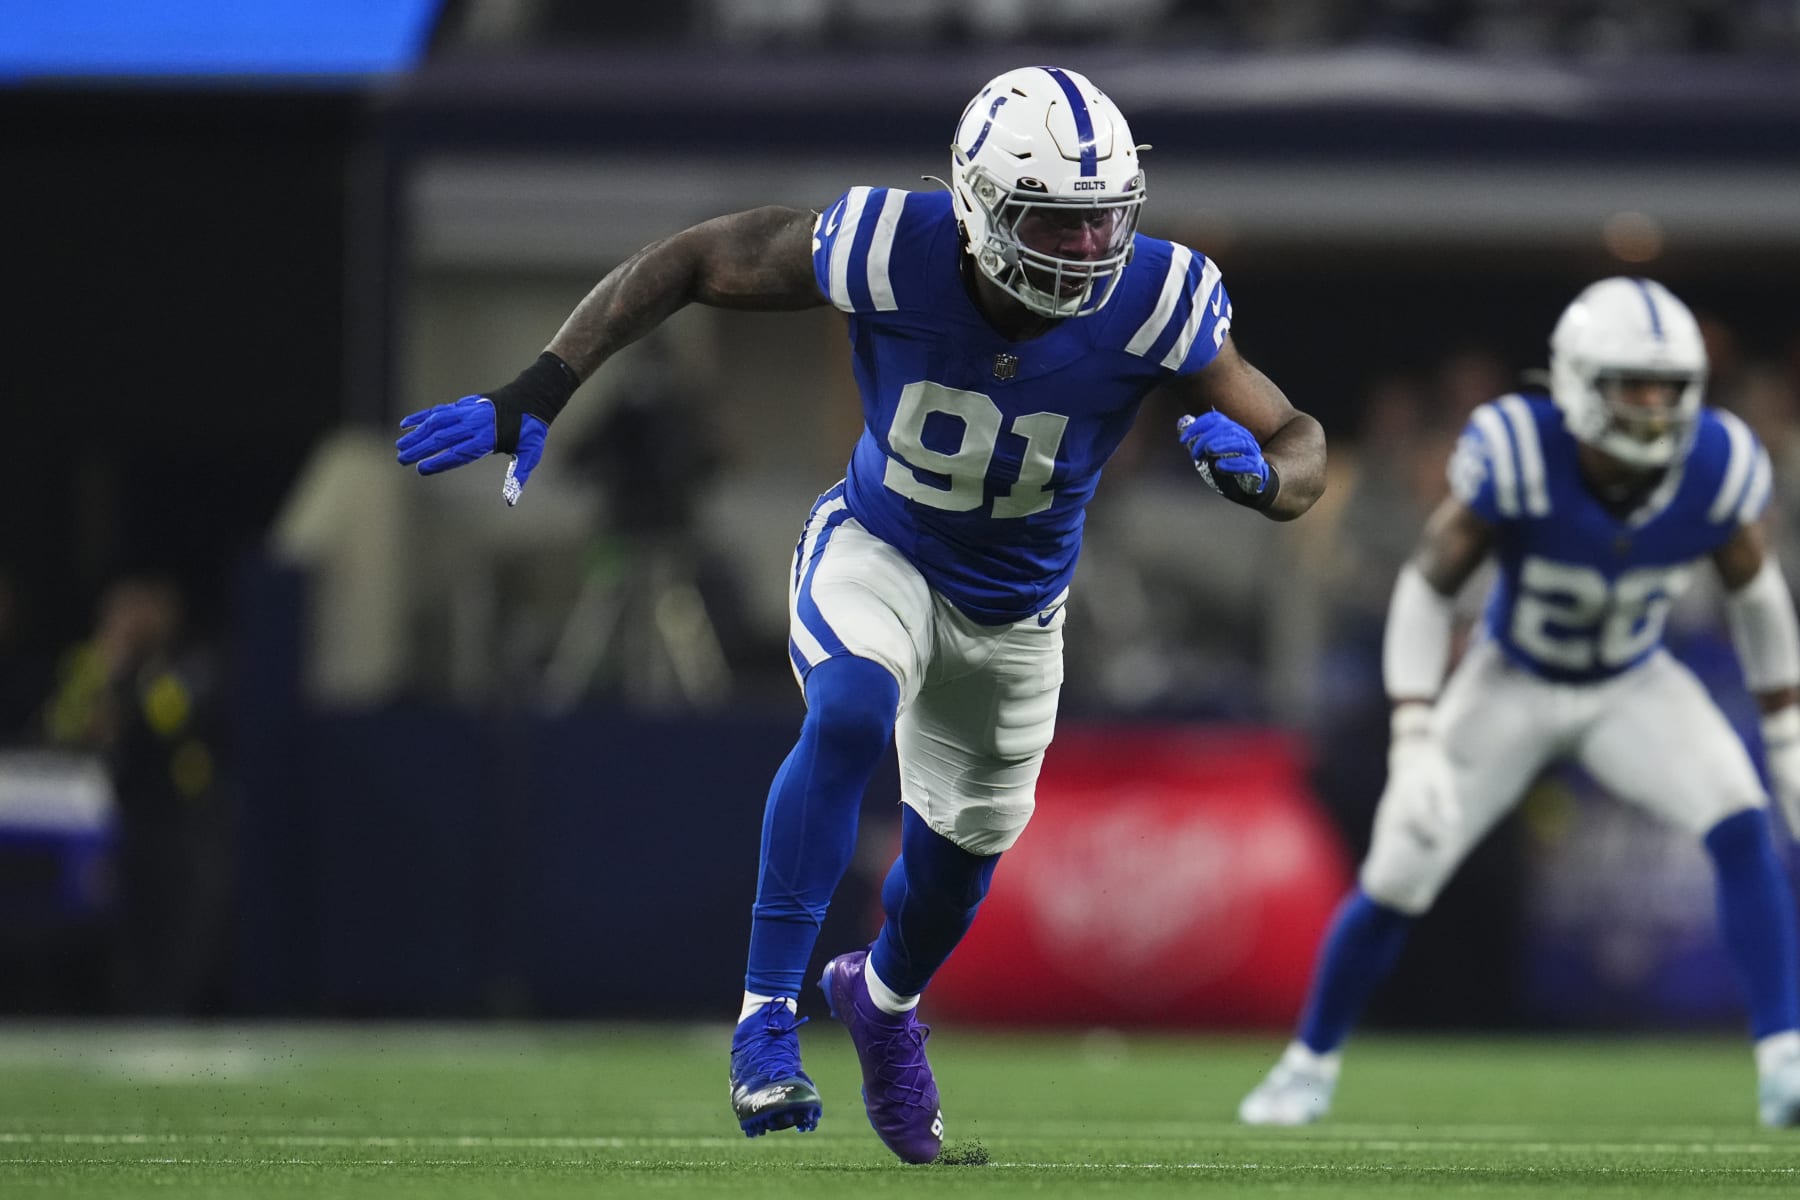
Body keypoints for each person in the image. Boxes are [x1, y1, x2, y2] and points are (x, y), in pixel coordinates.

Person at [398, 66, 1327, 1162]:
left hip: (1019, 611)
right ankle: (765, 1026)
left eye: (1099, 224)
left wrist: (1263, 481)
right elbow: (696, 257)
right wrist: (536, 389)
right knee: (846, 713)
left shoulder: (1160, 297)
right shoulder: (891, 245)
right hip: (880, 548)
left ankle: (881, 999)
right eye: (1053, 225)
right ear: (979, 206)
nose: (1084, 252)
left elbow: (1299, 439)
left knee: (955, 874)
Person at [1238, 277, 1800, 1129]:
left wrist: (1787, 732)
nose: (1652, 410)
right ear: (1577, 384)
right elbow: (1426, 591)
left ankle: (1784, 1059)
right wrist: (1418, 735)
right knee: (1400, 866)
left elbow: (1757, 599)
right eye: (1631, 388)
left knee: (1741, 820)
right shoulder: (1520, 449)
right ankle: (1306, 1066)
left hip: (1632, 682)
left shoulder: (1716, 464)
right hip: (1513, 679)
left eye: (1668, 390)